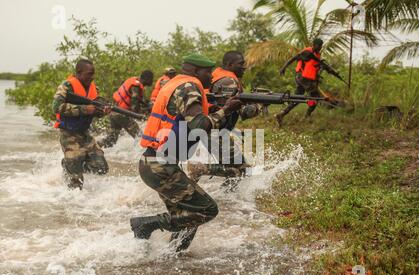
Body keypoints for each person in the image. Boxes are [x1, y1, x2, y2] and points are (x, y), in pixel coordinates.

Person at [130, 53, 243, 251]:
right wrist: (226, 109)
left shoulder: (179, 84)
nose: (211, 76)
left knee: (189, 217)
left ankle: (174, 255)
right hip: (160, 166)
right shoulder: (188, 87)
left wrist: (220, 108)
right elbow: (199, 124)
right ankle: (145, 224)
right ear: (195, 71)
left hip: (156, 163)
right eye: (208, 72)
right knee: (207, 209)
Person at [187, 51, 260, 184]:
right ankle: (201, 168)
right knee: (243, 170)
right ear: (229, 64)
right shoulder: (229, 81)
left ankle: (227, 197)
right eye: (241, 64)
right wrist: (257, 106)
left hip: (212, 129)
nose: (244, 67)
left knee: (236, 169)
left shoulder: (219, 76)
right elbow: (238, 110)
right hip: (215, 131)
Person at [52, 59, 111, 190]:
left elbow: (96, 112)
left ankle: (70, 165)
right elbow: (56, 107)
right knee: (76, 184)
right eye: (89, 74)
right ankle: (72, 167)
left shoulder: (94, 88)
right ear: (78, 73)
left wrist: (103, 112)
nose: (92, 77)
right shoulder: (66, 87)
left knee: (102, 168)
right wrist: (84, 109)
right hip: (69, 134)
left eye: (93, 74)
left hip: (85, 134)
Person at [98, 70, 154, 148]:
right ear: (147, 79)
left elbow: (139, 100)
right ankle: (145, 154)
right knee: (140, 137)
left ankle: (96, 146)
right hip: (121, 113)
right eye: (151, 79)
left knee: (111, 139)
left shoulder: (134, 81)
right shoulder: (136, 86)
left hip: (114, 112)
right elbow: (134, 105)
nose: (152, 81)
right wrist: (143, 115)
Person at [275, 38, 325, 126]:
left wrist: (318, 75)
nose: (320, 47)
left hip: (305, 79)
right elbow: (294, 58)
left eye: (321, 45)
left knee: (298, 98)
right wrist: (283, 67)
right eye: (319, 45)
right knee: (316, 97)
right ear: (314, 44)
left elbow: (313, 67)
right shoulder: (307, 52)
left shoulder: (317, 55)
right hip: (302, 78)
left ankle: (281, 114)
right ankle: (306, 117)